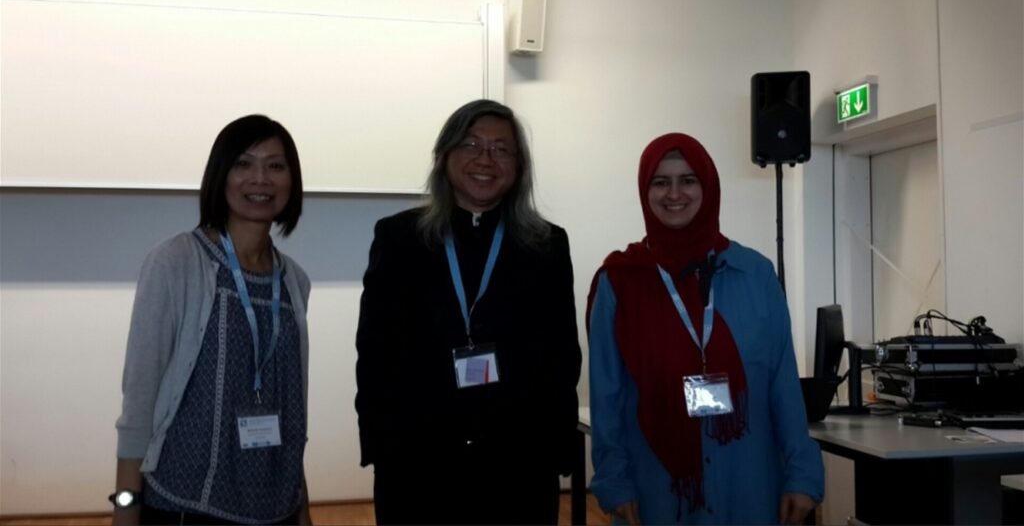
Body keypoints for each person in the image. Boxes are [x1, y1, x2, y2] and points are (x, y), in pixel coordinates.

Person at [355, 99, 582, 525]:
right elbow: (374, 350)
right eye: (471, 144)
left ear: (519, 166)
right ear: (444, 156)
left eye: (501, 149)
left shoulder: (547, 244)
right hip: (417, 462)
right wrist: (380, 443)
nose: (485, 159)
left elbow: (562, 354)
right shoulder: (400, 238)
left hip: (519, 466)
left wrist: (557, 448)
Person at [587, 133, 824, 525]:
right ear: (645, 191)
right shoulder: (619, 283)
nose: (674, 194)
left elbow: (783, 385)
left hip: (748, 486)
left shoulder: (756, 274)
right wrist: (615, 481)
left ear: (709, 186)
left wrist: (802, 473)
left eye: (688, 180)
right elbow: (606, 396)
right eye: (660, 182)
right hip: (656, 493)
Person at [112, 115, 312, 525]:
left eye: (275, 166)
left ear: (292, 181)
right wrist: (126, 508)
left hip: (276, 507)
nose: (260, 179)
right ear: (220, 175)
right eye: (243, 164)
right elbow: (139, 398)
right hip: (185, 504)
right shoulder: (176, 262)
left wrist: (302, 509)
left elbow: (289, 410)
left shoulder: (294, 280)